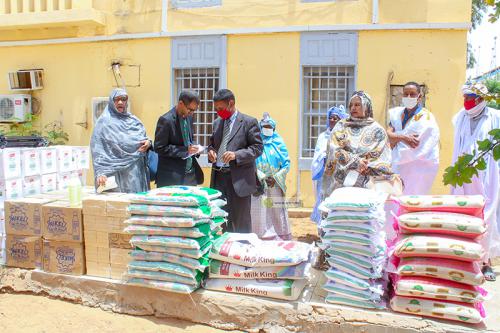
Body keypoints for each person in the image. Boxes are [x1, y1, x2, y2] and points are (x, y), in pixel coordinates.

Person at [451, 82, 500, 281]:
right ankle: (464, 259)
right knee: (463, 213)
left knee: (486, 215)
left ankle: (485, 261)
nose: (467, 102)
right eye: (465, 97)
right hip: (463, 174)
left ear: (481, 99)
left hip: (487, 175)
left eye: (471, 98)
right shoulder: (460, 117)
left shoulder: (495, 117)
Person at [208, 89, 263, 233]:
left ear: (231, 103)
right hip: (219, 178)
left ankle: (242, 252)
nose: (218, 112)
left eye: (221, 108)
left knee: (241, 221)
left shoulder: (248, 122)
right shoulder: (217, 123)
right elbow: (213, 144)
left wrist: (236, 155)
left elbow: (257, 148)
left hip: (239, 180)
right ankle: (224, 252)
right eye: (216, 109)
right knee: (221, 219)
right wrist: (211, 151)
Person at [322, 91, 396, 196]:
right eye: (351, 105)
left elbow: (383, 158)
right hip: (341, 184)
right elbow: (334, 150)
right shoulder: (341, 126)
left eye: (357, 105)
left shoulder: (377, 130)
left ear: (367, 106)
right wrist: (356, 162)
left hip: (369, 185)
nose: (353, 108)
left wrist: (365, 166)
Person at [90, 88, 151, 193]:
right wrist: (101, 172)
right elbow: (98, 149)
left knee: (135, 204)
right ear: (111, 101)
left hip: (134, 174)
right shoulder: (103, 123)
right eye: (116, 99)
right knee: (119, 206)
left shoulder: (134, 121)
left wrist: (148, 143)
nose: (120, 102)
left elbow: (143, 138)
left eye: (123, 99)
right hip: (115, 175)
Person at [387, 82, 440, 195]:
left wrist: (396, 139)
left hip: (418, 169)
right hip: (397, 167)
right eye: (406, 94)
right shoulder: (396, 114)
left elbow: (415, 145)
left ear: (419, 97)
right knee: (395, 200)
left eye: (412, 94)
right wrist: (403, 137)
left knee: (412, 202)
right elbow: (387, 135)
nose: (409, 97)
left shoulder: (426, 118)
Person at [250, 113, 292, 240]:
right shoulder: (255, 143)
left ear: (274, 128)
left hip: (275, 183)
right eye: (264, 126)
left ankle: (280, 236)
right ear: (260, 128)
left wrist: (276, 177)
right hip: (259, 183)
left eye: (270, 126)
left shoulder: (279, 143)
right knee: (261, 211)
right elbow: (251, 162)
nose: (267, 128)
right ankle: (261, 237)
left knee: (276, 210)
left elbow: (286, 164)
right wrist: (262, 176)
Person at [154, 90, 204, 187]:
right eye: (190, 109)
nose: (191, 113)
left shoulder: (189, 118)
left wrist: (195, 148)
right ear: (181, 103)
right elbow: (159, 147)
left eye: (194, 110)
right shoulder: (165, 120)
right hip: (172, 178)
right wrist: (185, 150)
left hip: (190, 176)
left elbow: (190, 138)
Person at [311, 105, 348, 224]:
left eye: (335, 118)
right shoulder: (323, 136)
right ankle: (321, 231)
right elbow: (318, 154)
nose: (332, 120)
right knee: (322, 200)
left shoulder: (345, 137)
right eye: (330, 118)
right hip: (323, 175)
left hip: (338, 176)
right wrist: (324, 157)